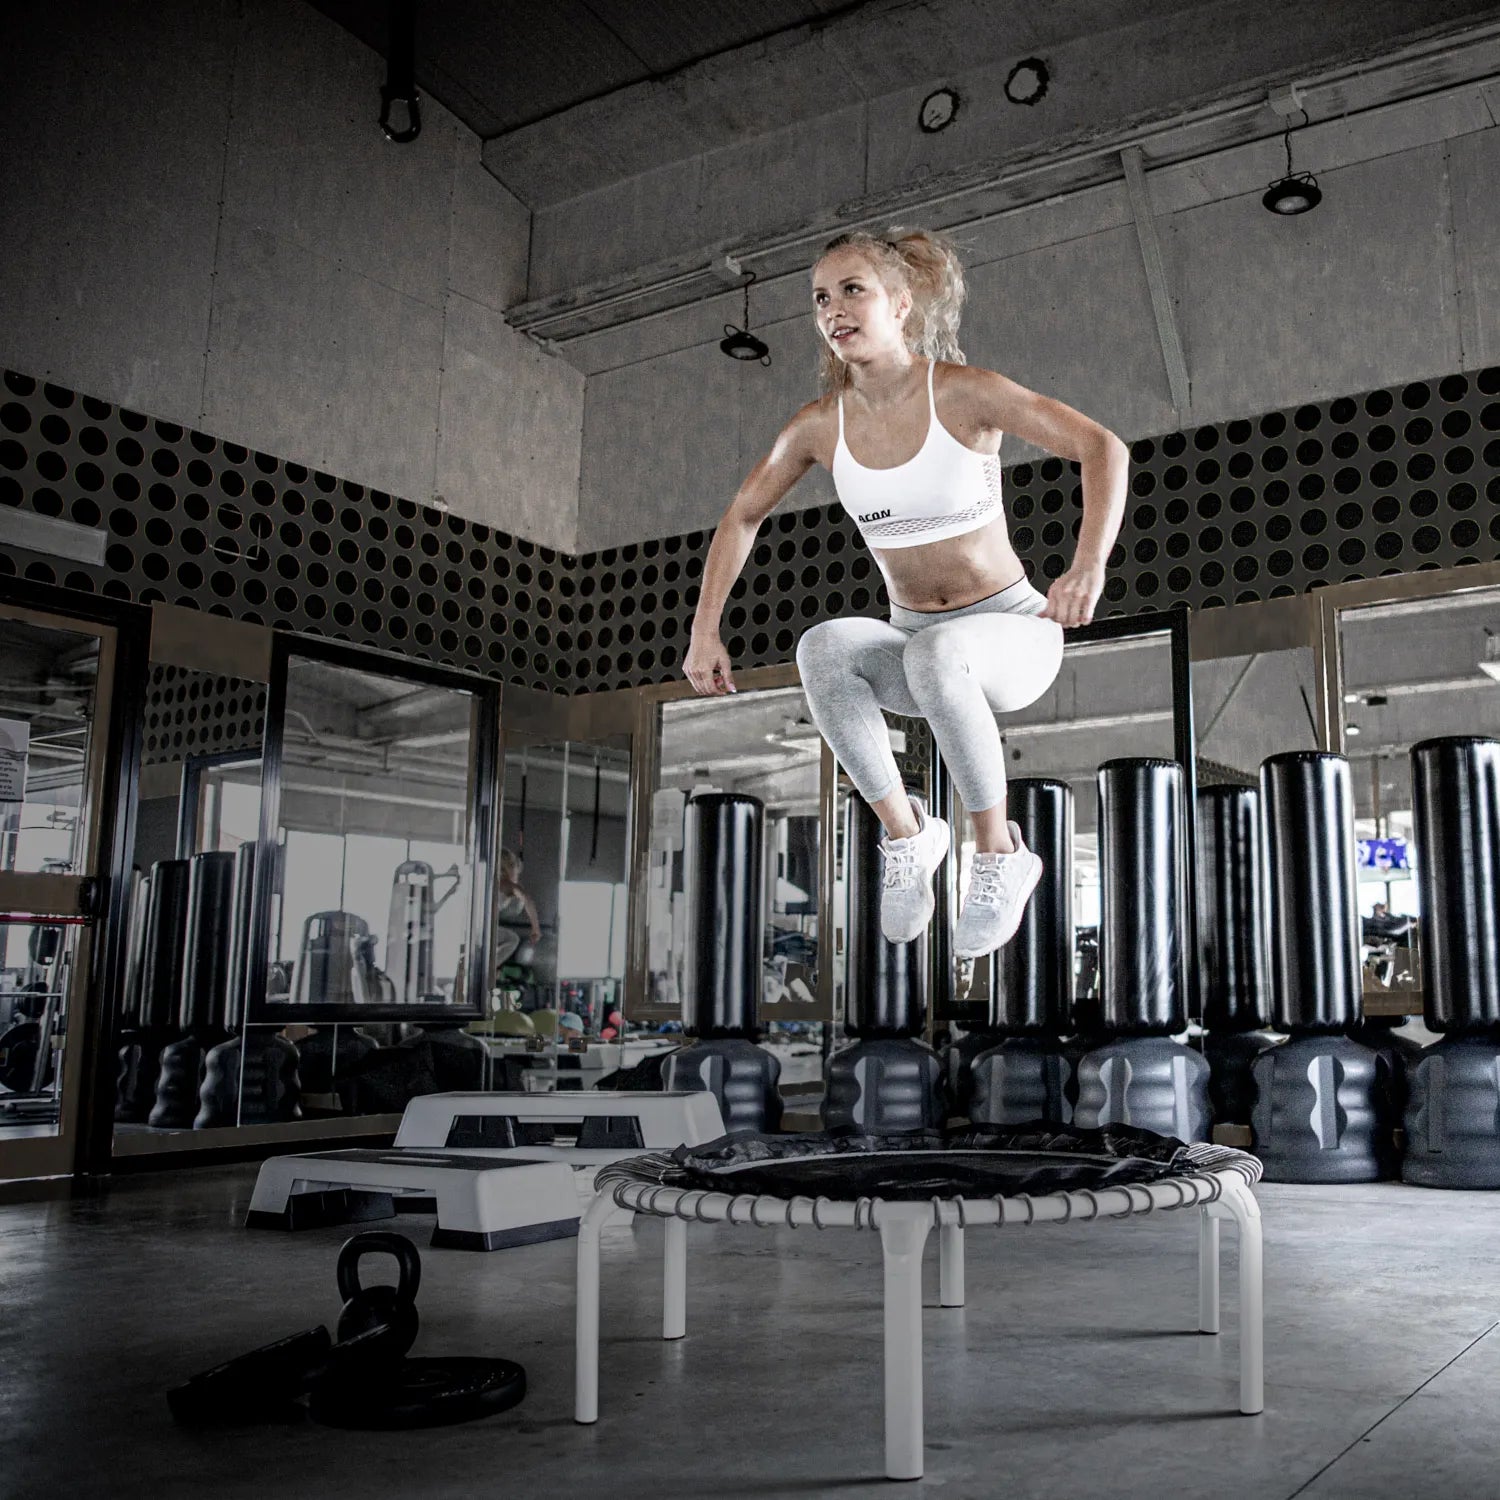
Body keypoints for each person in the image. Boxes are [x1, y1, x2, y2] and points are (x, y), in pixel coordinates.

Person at [685, 227, 1127, 957]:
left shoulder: (963, 394)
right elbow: (741, 515)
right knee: (824, 646)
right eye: (821, 298)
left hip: (1013, 634)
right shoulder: (819, 426)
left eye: (852, 290)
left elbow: (1101, 447)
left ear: (899, 303)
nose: (834, 309)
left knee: (941, 652)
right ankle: (912, 836)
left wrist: (1088, 565)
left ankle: (997, 853)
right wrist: (705, 630)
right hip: (917, 642)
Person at [494, 848, 542, 968]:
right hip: (483, 929)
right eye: (516, 869)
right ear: (509, 868)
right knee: (512, 939)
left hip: (476, 928)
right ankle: (490, 967)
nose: (518, 874)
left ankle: (490, 965)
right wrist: (535, 928)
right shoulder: (510, 885)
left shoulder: (492, 880)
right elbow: (528, 901)